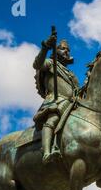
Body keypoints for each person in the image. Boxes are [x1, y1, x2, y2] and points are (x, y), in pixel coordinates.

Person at [32, 32, 80, 164]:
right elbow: (37, 64)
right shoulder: (49, 63)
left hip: (72, 104)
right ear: (56, 50)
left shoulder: (71, 74)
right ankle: (46, 152)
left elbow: (77, 91)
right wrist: (46, 47)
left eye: (68, 50)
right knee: (53, 120)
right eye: (63, 49)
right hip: (56, 101)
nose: (66, 52)